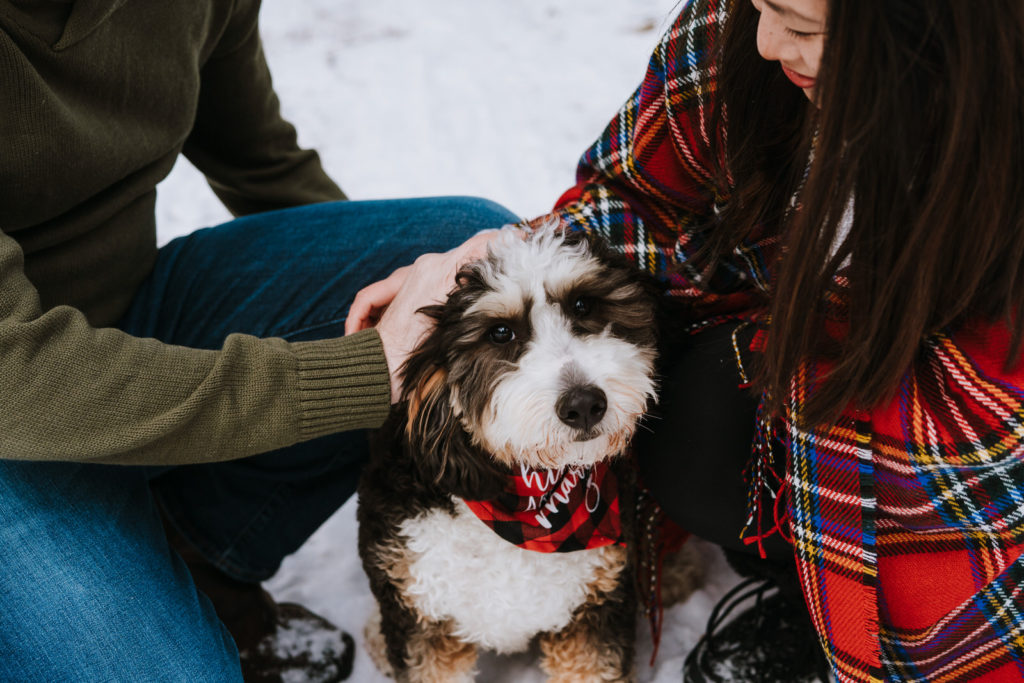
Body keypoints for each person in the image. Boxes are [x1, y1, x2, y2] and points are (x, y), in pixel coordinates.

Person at [351, 0, 1024, 680]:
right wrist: (502, 254)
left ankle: (834, 594)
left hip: (966, 442)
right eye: (761, 6)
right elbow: (639, 199)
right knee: (687, 419)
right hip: (798, 361)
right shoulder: (733, 36)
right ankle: (798, 580)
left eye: (803, 25)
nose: (764, 41)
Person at [0, 2, 518, 681]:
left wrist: (387, 302)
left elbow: (261, 160)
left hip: (129, 308)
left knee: (459, 286)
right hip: (14, 409)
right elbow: (17, 376)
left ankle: (194, 551)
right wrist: (360, 371)